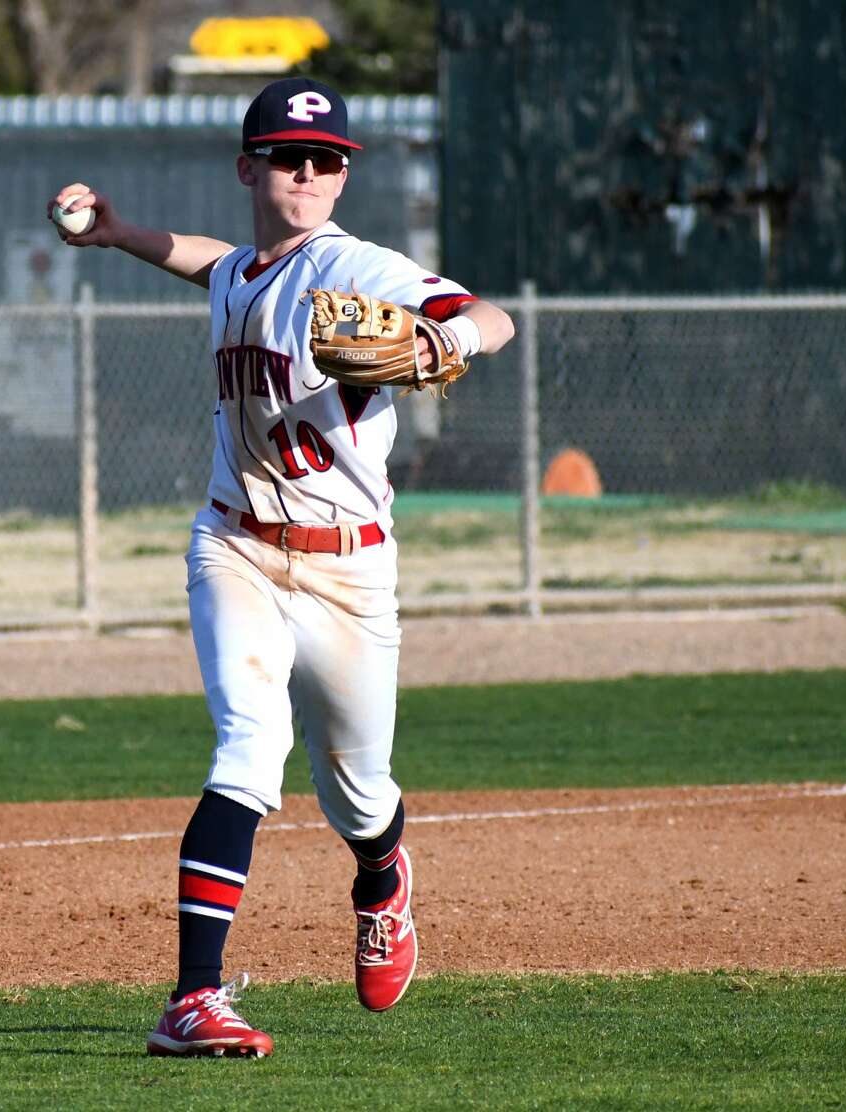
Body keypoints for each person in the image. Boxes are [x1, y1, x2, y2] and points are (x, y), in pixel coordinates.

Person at [49, 77, 515, 1059]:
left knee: (358, 792)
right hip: (237, 547)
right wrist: (121, 234)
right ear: (248, 167)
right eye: (290, 156)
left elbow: (492, 317)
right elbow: (216, 264)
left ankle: (381, 876)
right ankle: (192, 998)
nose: (309, 174)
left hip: (350, 570)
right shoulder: (242, 273)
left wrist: (442, 341)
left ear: (342, 176)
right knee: (248, 750)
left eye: (327, 160)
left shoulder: (359, 264)